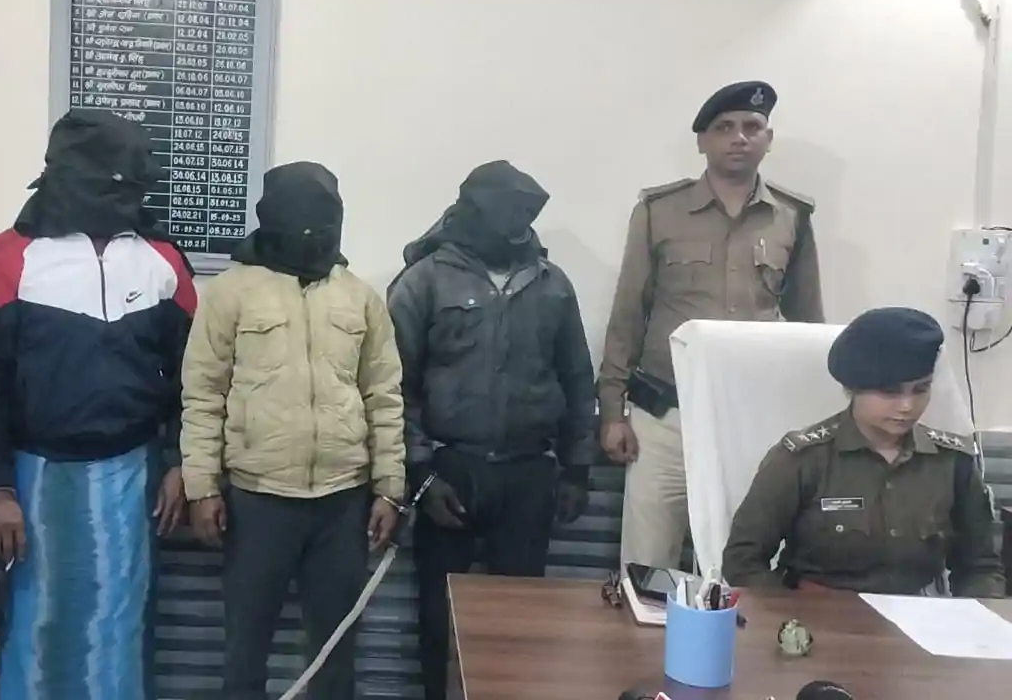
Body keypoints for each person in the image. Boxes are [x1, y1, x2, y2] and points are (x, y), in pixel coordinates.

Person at [0, 109, 196, 698]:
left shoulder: (163, 260)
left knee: (120, 625)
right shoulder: (9, 257)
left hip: (133, 478)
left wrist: (179, 461)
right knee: (38, 626)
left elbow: (192, 378)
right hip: (33, 480)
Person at [180, 161, 405, 700]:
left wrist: (389, 488)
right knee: (245, 647)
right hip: (257, 500)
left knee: (335, 652)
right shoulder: (231, 293)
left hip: (343, 501)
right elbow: (203, 395)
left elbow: (384, 395)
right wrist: (202, 488)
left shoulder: (360, 297)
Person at [386, 160, 595, 700]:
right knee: (439, 622)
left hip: (529, 474)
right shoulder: (424, 280)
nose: (514, 231)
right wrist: (420, 473)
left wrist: (577, 469)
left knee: (520, 624)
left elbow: (577, 380)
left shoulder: (552, 284)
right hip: (450, 469)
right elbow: (393, 387)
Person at [598, 81, 825, 570]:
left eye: (752, 127)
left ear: (768, 139)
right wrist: (612, 411)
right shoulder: (659, 211)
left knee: (738, 564)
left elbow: (809, 324)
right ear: (702, 141)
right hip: (665, 415)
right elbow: (628, 315)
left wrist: (810, 420)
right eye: (724, 128)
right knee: (647, 564)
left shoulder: (792, 216)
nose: (739, 138)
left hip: (750, 417)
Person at [722, 307, 1005, 598]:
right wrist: (788, 615)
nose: (907, 406)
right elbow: (743, 562)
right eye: (889, 392)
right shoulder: (802, 459)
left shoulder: (953, 462)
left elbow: (980, 567)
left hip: (921, 613)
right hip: (820, 614)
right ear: (852, 388)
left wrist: (980, 619)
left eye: (920, 389)